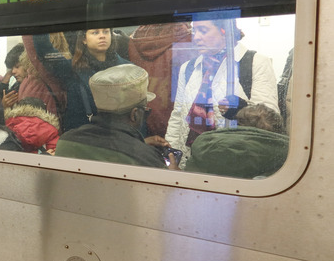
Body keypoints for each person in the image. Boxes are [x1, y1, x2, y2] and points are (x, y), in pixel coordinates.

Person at [165, 17, 279, 165]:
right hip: (189, 161)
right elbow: (178, 116)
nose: (196, 37)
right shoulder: (188, 68)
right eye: (195, 31)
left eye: (203, 31)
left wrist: (242, 109)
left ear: (224, 32)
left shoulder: (254, 63)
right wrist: (171, 157)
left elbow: (270, 120)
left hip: (235, 161)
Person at [55, 64, 170, 168]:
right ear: (135, 114)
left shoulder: (66, 141)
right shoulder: (147, 159)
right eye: (145, 111)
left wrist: (140, 144)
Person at [26, 28, 129, 132]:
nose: (102, 36)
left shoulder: (127, 69)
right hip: (83, 138)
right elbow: (45, 51)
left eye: (106, 32)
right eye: (95, 32)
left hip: (119, 137)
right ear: (84, 39)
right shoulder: (72, 69)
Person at [184, 104, 289, 178]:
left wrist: (175, 171)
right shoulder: (288, 161)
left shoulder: (204, 150)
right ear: (277, 133)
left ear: (236, 126)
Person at [0, 42, 25, 108]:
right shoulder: (17, 85)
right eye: (11, 68)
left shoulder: (32, 87)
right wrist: (4, 83)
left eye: (17, 67)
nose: (13, 71)